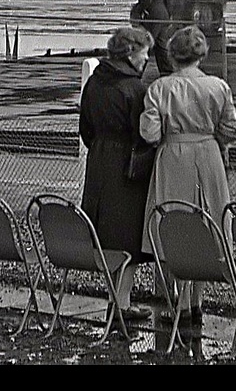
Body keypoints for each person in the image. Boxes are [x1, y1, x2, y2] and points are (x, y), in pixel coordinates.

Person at [139, 25, 236, 331]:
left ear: (173, 54)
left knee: (174, 221)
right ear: (202, 54)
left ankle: (181, 301)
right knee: (208, 220)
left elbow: (150, 132)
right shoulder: (219, 87)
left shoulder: (160, 88)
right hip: (208, 154)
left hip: (174, 155)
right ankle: (195, 300)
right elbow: (231, 129)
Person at [79, 26, 156, 321]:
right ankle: (121, 304)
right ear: (130, 53)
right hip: (127, 164)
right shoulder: (135, 89)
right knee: (127, 235)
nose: (147, 57)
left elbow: (85, 125)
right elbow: (144, 133)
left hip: (99, 158)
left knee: (105, 231)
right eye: (144, 52)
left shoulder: (96, 83)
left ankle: (117, 300)